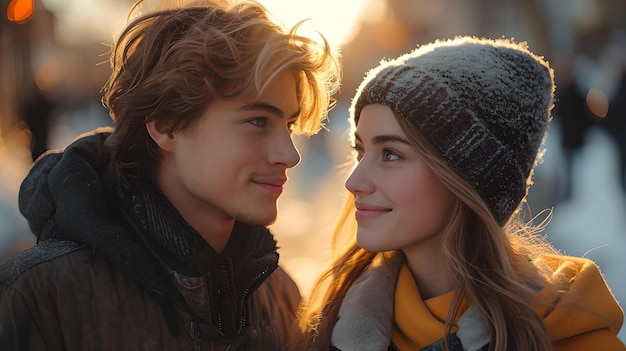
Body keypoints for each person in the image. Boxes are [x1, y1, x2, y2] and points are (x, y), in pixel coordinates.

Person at [0, 0, 340, 350]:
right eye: (257, 121)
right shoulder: (40, 300)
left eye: (289, 124)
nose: (290, 154)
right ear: (167, 126)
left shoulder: (280, 298)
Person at [298, 36, 624, 350]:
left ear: (466, 176)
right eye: (360, 150)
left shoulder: (567, 336)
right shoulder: (328, 322)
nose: (354, 181)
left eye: (391, 154)